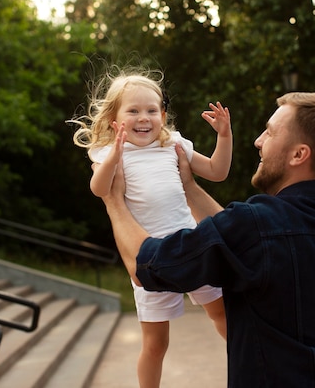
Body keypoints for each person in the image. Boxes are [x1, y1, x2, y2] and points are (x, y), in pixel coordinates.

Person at [100, 92, 315, 387]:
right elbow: (246, 239)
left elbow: (149, 266)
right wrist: (189, 187)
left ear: (298, 155)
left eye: (270, 132)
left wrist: (113, 200)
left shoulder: (257, 225)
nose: (258, 140)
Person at [70, 68, 231, 388]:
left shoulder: (174, 144)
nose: (144, 118)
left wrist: (224, 136)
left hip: (191, 246)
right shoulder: (107, 152)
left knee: (225, 318)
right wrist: (114, 156)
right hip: (149, 258)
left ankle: (258, 369)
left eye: (151, 110)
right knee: (155, 345)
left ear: (163, 114)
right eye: (133, 111)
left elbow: (217, 171)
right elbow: (100, 190)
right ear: (115, 118)